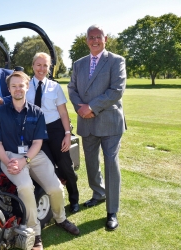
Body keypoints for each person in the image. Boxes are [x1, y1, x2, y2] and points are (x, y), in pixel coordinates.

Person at [0, 71, 80, 250]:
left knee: (56, 188)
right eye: (13, 86)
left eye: (21, 85)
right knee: (25, 187)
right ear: (9, 89)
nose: (17, 89)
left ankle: (60, 218)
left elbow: (38, 142)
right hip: (10, 157)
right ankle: (34, 231)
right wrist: (8, 162)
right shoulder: (0, 112)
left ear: (27, 87)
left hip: (33, 154)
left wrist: (25, 160)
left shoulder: (37, 112)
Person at [68, 24, 126, 231]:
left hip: (110, 121)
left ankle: (112, 211)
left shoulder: (116, 61)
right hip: (87, 122)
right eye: (91, 37)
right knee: (91, 162)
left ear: (105, 38)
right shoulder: (79, 63)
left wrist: (91, 107)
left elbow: (117, 90)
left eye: (98, 37)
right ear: (86, 40)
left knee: (111, 164)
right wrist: (81, 109)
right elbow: (72, 88)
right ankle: (98, 194)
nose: (95, 40)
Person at [26, 52, 79, 214]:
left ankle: (74, 198)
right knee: (48, 166)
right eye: (39, 65)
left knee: (65, 164)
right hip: (36, 132)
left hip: (54, 129)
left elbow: (63, 113)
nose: (42, 69)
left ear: (49, 68)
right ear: (33, 65)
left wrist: (67, 134)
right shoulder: (26, 85)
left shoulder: (54, 87)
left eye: (45, 66)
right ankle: (55, 197)